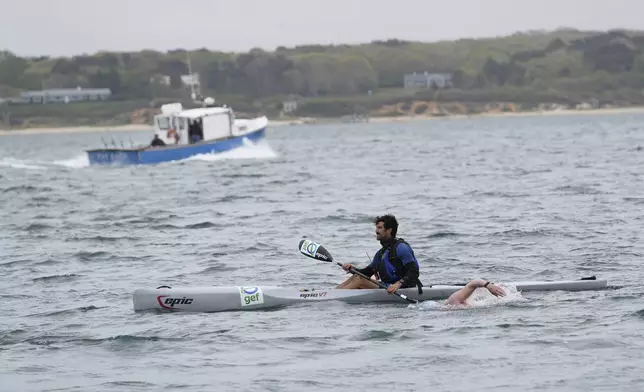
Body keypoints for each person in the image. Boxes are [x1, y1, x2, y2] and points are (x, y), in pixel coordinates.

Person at [337, 214, 422, 293]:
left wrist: (398, 284)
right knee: (356, 276)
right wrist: (352, 269)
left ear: (389, 230)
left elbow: (414, 271)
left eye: (380, 228)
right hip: (387, 286)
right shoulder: (381, 253)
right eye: (376, 228)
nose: (376, 231)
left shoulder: (401, 248)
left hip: (405, 287)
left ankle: (334, 297)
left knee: (360, 280)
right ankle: (331, 293)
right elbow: (367, 273)